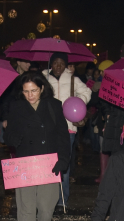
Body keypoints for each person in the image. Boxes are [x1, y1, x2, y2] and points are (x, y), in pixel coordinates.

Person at [5, 71, 70, 221]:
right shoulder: (16, 107)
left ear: (42, 88)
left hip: (48, 163)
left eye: (34, 90)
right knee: (25, 209)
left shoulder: (54, 105)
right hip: (25, 164)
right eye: (26, 91)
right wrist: (11, 135)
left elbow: (62, 135)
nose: (30, 95)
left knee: (46, 206)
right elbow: (9, 137)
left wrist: (64, 160)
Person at [43, 52, 92, 209]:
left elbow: (87, 92)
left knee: (64, 163)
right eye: (55, 63)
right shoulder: (43, 78)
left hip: (68, 127)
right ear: (51, 63)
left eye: (61, 63)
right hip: (46, 128)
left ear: (65, 65)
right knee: (47, 164)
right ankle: (48, 198)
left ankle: (62, 199)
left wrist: (78, 102)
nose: (58, 66)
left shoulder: (72, 79)